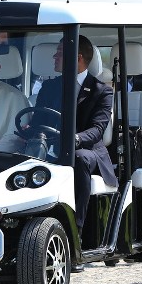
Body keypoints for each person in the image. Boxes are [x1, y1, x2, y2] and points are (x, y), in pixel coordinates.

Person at [34, 35, 117, 250]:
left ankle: (76, 233)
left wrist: (75, 139)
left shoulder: (102, 91)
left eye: (60, 52)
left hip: (88, 151)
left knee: (78, 159)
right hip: (52, 146)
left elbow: (98, 131)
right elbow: (38, 121)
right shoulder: (49, 87)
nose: (55, 56)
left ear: (77, 58)